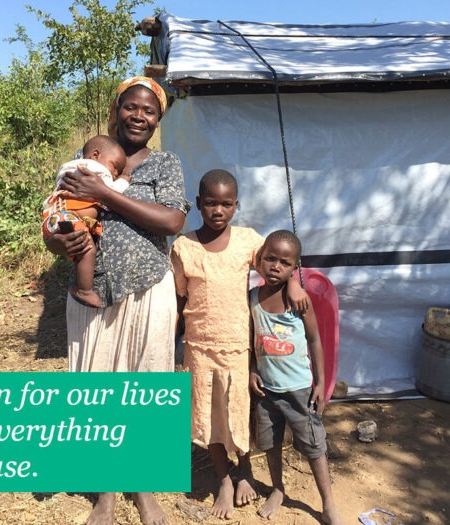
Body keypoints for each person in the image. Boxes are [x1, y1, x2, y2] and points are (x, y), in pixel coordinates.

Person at [44, 76, 191, 525]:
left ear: (158, 118)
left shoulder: (165, 164)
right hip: (93, 295)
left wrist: (105, 194)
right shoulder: (87, 159)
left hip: (148, 289)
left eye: (149, 110)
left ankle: (143, 488)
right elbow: (56, 212)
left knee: (145, 387)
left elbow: (172, 221)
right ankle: (105, 493)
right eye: (131, 107)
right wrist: (59, 244)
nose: (139, 116)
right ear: (117, 108)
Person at [170, 170, 308, 519]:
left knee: (236, 410)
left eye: (227, 204)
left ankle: (244, 470)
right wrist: (172, 341)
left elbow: (276, 261)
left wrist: (293, 282)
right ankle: (224, 479)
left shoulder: (248, 241)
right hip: (199, 347)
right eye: (211, 203)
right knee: (209, 414)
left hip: (237, 345)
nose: (219, 210)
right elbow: (177, 299)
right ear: (199, 204)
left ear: (236, 205)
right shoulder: (184, 247)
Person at [249, 230, 345, 525]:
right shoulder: (252, 298)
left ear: (295, 268)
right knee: (270, 443)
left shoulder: (300, 302)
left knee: (314, 446)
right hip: (267, 391)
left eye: (285, 263)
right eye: (270, 259)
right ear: (260, 260)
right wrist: (252, 369)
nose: (276, 266)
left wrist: (320, 382)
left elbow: (316, 340)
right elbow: (251, 338)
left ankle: (327, 503)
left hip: (300, 389)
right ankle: (278, 488)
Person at [42, 134, 127, 308]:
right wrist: (123, 182)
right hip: (69, 216)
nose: (116, 173)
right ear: (95, 155)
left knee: (79, 248)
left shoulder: (71, 168)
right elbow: (109, 191)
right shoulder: (93, 169)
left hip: (56, 216)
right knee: (87, 247)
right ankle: (83, 290)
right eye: (115, 166)